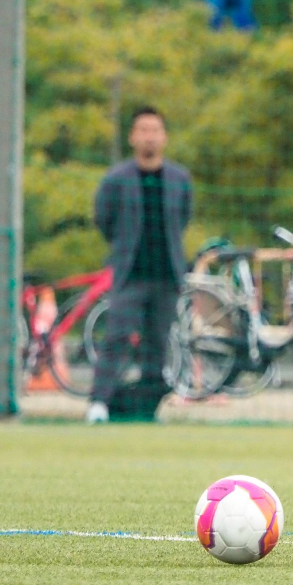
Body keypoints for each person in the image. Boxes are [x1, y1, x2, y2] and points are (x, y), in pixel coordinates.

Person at [89, 106, 193, 423]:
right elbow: (103, 219)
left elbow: (183, 219)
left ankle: (147, 406)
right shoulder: (116, 179)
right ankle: (99, 403)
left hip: (167, 275)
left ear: (164, 136)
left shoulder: (179, 179)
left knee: (157, 344)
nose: (149, 137)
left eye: (155, 130)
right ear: (133, 137)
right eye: (143, 130)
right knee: (117, 337)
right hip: (130, 276)